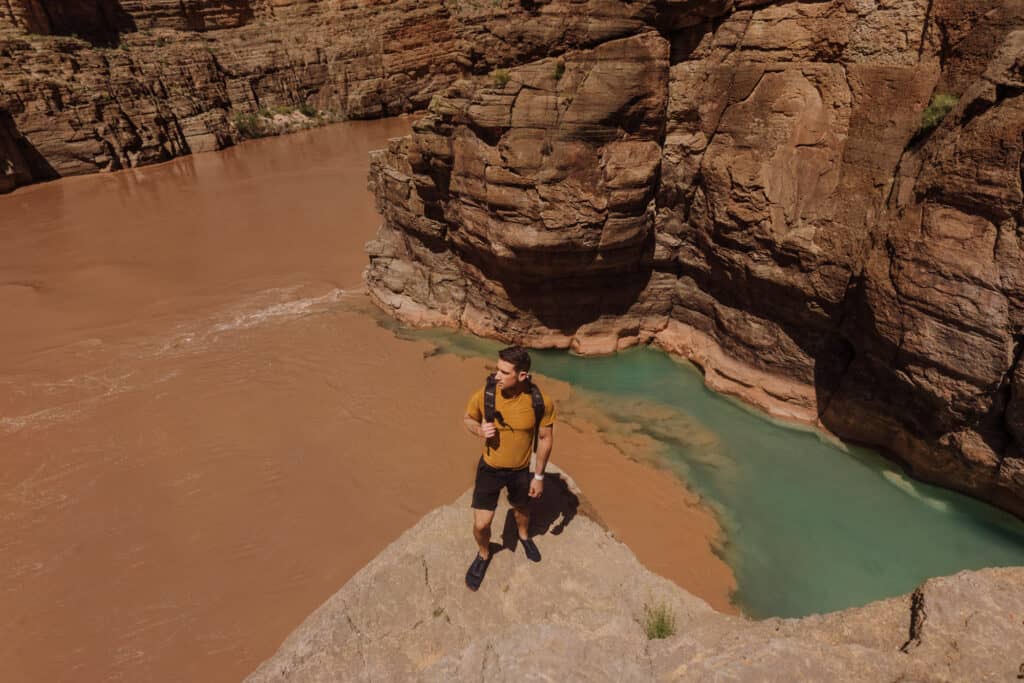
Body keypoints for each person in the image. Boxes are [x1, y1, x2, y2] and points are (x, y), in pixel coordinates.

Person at [462, 345, 555, 591]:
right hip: (490, 469)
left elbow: (545, 439)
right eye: (497, 369)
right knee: (482, 524)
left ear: (522, 375)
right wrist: (480, 430)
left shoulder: (540, 402)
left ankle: (524, 536)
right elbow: (468, 419)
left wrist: (539, 476)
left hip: (520, 471)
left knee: (521, 510)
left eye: (504, 372)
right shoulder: (486, 394)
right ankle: (484, 553)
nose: (497, 376)